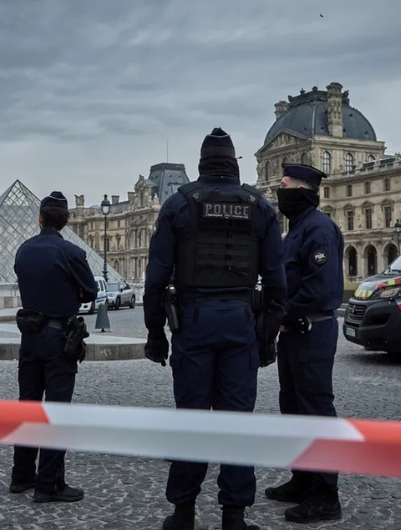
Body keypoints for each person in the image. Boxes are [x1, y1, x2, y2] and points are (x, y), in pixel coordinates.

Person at [143, 128, 286, 530]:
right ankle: (234, 517)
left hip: (193, 321)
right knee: (237, 420)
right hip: (241, 321)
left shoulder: (178, 204)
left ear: (202, 164)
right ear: (235, 164)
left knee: (190, 418)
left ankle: (183, 513)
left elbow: (155, 279)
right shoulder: (260, 207)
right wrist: (268, 335)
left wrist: (156, 333)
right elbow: (277, 282)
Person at [264, 163, 344, 523]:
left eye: (283, 185)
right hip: (296, 333)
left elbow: (322, 288)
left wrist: (285, 312)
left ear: (301, 189)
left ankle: (326, 495)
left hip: (312, 330)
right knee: (293, 408)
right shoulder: (297, 229)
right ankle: (302, 478)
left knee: (316, 411)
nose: (279, 191)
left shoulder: (319, 229)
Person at [9, 191, 97, 503]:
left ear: (40, 217)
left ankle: (21, 476)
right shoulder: (71, 252)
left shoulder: (24, 249)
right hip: (60, 338)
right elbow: (90, 291)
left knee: (28, 407)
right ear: (67, 220)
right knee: (55, 412)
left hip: (29, 337)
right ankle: (49, 485)